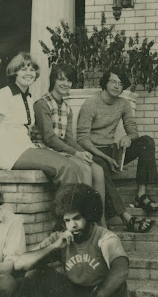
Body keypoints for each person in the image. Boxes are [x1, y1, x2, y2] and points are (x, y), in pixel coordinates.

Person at [2, 184, 129, 297]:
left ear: (89, 215)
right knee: (36, 274)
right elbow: (20, 264)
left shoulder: (104, 238)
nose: (72, 226)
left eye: (77, 218)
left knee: (119, 286)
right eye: (67, 220)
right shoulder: (61, 238)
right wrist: (54, 247)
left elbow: (121, 269)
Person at [0, 52, 81, 188]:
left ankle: (67, 206)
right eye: (23, 69)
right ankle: (68, 209)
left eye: (32, 69)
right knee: (65, 168)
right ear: (14, 72)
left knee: (72, 165)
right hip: (10, 153)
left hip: (26, 148)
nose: (29, 73)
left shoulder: (27, 98)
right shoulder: (3, 95)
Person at [76, 69, 157, 233]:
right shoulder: (90, 103)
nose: (117, 86)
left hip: (111, 149)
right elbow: (82, 139)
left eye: (120, 84)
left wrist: (129, 137)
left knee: (146, 142)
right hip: (93, 151)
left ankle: (141, 194)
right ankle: (127, 219)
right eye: (113, 81)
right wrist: (104, 157)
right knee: (100, 170)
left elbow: (133, 129)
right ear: (105, 83)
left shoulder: (124, 103)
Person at [32, 63, 107, 225]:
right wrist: (76, 154)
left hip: (62, 150)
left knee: (98, 170)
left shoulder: (67, 108)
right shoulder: (42, 104)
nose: (65, 84)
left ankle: (100, 222)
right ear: (53, 80)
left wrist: (83, 152)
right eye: (61, 79)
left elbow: (69, 138)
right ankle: (86, 221)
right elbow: (49, 138)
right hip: (46, 150)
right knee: (85, 169)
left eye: (69, 81)